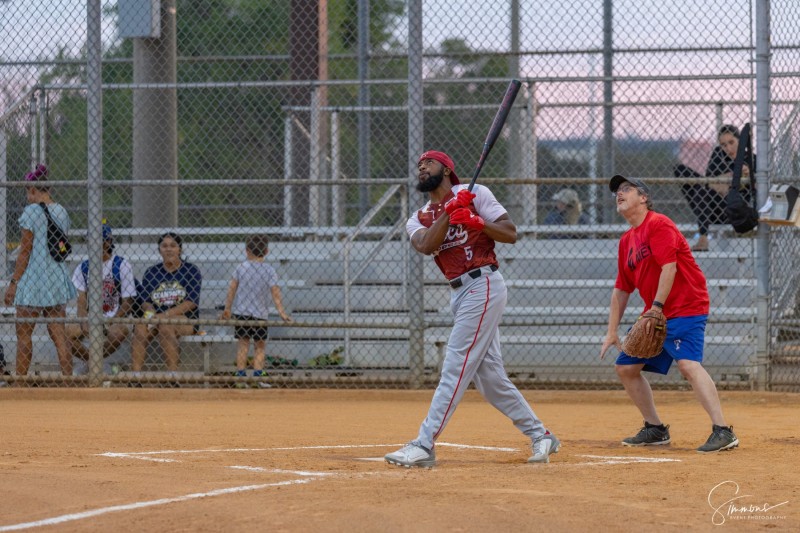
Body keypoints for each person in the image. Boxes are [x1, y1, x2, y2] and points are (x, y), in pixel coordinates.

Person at [384, 150, 559, 468]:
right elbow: (425, 245)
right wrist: (450, 213)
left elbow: (511, 233)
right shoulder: (419, 216)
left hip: (484, 283)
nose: (422, 166)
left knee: (454, 366)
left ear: (448, 169)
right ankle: (541, 435)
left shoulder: (477, 194)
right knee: (491, 381)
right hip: (458, 293)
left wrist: (477, 221)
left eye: (430, 162)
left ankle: (424, 444)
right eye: (419, 164)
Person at [600, 174, 739, 453]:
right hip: (657, 314)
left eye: (628, 189)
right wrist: (611, 331)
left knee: (688, 365)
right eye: (618, 190)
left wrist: (656, 308)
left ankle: (723, 431)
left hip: (685, 306)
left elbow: (669, 267)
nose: (620, 193)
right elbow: (621, 289)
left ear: (644, 198)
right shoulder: (627, 240)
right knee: (626, 367)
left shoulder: (658, 224)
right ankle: (655, 429)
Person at [3, 164, 76, 378]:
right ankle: (68, 385)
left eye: (28, 191)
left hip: (32, 280)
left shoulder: (31, 212)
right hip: (55, 278)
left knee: (24, 335)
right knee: (59, 335)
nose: (27, 195)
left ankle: (21, 386)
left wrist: (14, 283)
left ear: (34, 190)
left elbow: (25, 252)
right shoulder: (61, 211)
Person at [220, 234, 292, 388]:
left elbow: (232, 288)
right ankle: (258, 375)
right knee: (259, 345)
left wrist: (228, 308)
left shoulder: (241, 267)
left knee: (243, 344)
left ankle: (241, 375)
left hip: (242, 313)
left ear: (247, 250)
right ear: (266, 251)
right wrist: (281, 312)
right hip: (260, 314)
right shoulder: (269, 270)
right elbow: (275, 291)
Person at [131, 232, 202, 385]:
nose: (168, 249)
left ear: (180, 250)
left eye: (173, 246)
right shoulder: (152, 272)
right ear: (159, 250)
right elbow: (146, 300)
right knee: (140, 326)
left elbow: (191, 302)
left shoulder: (191, 271)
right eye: (164, 246)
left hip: (185, 319)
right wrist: (150, 313)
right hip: (157, 317)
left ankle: (172, 377)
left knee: (166, 325)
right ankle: (135, 378)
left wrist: (165, 315)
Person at [66, 223, 137, 372]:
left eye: (98, 241)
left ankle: (93, 364)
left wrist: (111, 321)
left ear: (108, 242)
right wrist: (84, 321)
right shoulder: (83, 268)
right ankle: (96, 363)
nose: (93, 245)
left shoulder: (121, 265)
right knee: (65, 332)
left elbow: (127, 303)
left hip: (116, 317)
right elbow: (81, 301)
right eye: (90, 241)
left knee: (117, 332)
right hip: (91, 316)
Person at [674, 124, 756, 252]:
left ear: (740, 140)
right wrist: (733, 177)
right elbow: (709, 182)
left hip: (732, 211)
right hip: (710, 207)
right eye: (723, 145)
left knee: (702, 190)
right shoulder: (719, 154)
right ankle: (703, 238)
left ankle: (703, 237)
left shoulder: (751, 159)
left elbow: (750, 189)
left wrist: (743, 177)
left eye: (731, 142)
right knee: (680, 170)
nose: (728, 148)